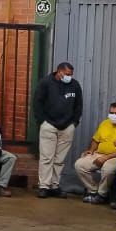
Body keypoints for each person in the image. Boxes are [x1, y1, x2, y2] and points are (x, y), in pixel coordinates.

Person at [73, 102, 116, 203]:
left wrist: (106, 158)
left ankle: (102, 195)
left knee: (108, 168)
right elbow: (96, 140)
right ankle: (93, 191)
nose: (114, 116)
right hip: (99, 153)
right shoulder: (104, 123)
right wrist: (91, 151)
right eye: (111, 113)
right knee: (80, 164)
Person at [33, 61, 83, 197]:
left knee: (59, 159)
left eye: (71, 74)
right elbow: (37, 102)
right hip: (49, 125)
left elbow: (79, 105)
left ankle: (54, 186)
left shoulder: (75, 85)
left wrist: (74, 123)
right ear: (59, 71)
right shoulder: (46, 83)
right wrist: (42, 121)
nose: (69, 77)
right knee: (46, 157)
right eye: (67, 74)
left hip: (67, 127)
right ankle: (44, 186)